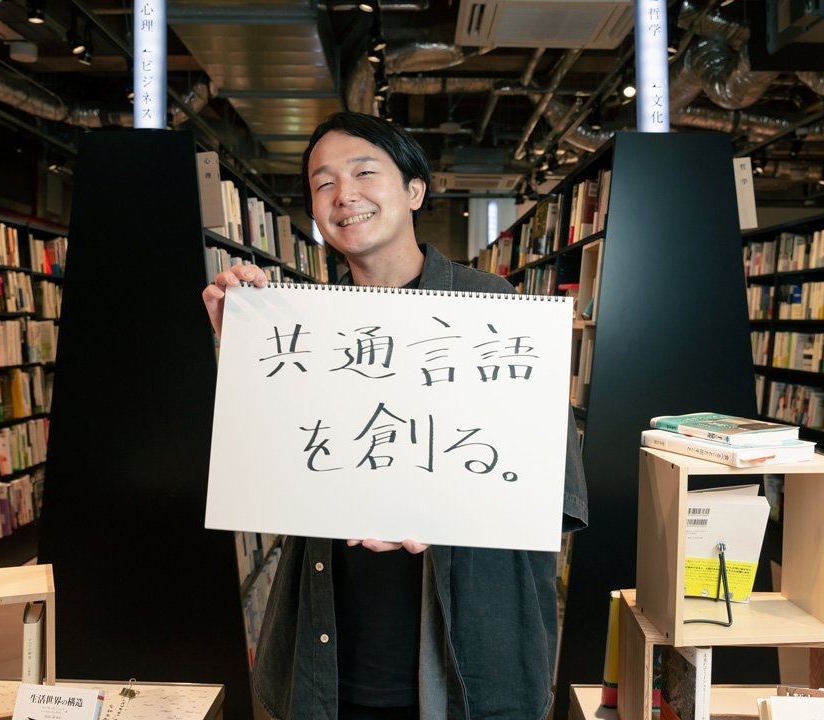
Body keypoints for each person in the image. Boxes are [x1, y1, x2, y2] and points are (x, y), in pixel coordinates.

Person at [202, 111, 588, 720]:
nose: (343, 194)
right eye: (323, 182)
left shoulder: (491, 307)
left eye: (364, 173)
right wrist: (246, 350)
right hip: (334, 655)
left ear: (413, 190)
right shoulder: (304, 324)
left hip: (468, 660)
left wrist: (440, 509)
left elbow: (557, 492)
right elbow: (267, 471)